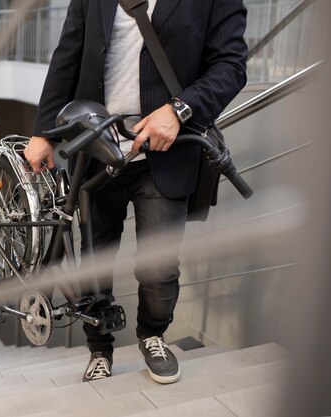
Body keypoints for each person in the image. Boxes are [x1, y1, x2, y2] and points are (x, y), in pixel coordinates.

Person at [25, 0, 248, 384]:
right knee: (95, 260)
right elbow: (69, 53)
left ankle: (152, 335)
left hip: (165, 152)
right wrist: (43, 131)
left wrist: (179, 111)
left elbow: (230, 65)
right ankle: (99, 348)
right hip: (95, 149)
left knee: (158, 269)